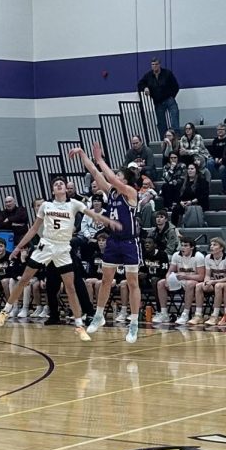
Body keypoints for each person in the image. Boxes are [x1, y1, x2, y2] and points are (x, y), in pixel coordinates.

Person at [0, 175, 117, 334]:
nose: (59, 185)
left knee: (70, 286)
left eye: (61, 184)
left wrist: (109, 221)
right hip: (46, 244)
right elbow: (33, 229)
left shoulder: (74, 204)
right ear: (53, 190)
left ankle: (79, 325)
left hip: (63, 248)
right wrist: (18, 247)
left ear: (66, 188)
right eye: (56, 184)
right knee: (25, 279)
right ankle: (5, 311)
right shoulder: (46, 205)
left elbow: (93, 214)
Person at [77, 144, 145, 343]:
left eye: (119, 176)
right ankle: (98, 316)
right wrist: (83, 155)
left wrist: (100, 159)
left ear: (126, 180)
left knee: (132, 283)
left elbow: (111, 178)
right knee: (106, 280)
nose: (115, 177)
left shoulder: (131, 192)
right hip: (114, 242)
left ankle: (134, 323)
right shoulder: (112, 192)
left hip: (130, 242)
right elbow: (96, 174)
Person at [158, 237, 205, 326]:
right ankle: (164, 313)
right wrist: (167, 279)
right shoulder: (176, 255)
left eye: (186, 246)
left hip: (192, 280)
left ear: (192, 247)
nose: (183, 248)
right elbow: (170, 271)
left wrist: (186, 276)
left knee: (190, 284)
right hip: (179, 280)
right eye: (182, 245)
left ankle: (185, 314)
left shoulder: (198, 256)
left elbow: (201, 277)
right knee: (161, 283)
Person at [138, 56, 181, 138]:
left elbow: (176, 86)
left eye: (156, 64)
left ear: (159, 64)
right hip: (158, 102)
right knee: (161, 123)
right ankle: (164, 139)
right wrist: (145, 88)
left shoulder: (167, 73)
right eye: (153, 64)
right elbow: (140, 84)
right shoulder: (148, 76)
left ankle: (176, 136)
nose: (154, 66)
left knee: (175, 116)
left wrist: (171, 96)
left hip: (169, 99)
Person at [196, 237, 226, 327]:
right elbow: (208, 275)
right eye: (211, 245)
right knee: (199, 286)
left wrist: (212, 282)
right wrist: (206, 282)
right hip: (215, 282)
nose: (211, 247)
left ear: (221, 248)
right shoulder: (208, 257)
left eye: (214, 245)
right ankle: (198, 315)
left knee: (218, 286)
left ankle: (215, 315)